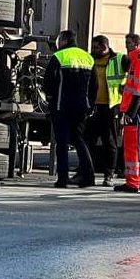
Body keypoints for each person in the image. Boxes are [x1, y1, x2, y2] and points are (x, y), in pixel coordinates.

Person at [44, 29, 96, 188]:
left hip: (62, 106)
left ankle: (63, 179)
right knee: (80, 140)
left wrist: (50, 99)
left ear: (65, 40)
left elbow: (49, 81)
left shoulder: (59, 56)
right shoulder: (88, 57)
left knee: (62, 143)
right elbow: (95, 85)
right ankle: (89, 176)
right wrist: (90, 104)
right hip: (82, 106)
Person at [115, 39, 140, 193]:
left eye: (129, 43)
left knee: (133, 148)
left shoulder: (139, 60)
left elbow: (138, 90)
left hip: (136, 111)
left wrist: (130, 114)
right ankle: (139, 181)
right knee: (138, 148)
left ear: (137, 44)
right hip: (139, 110)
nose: (127, 46)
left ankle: (133, 183)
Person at [86, 35, 124, 185]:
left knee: (110, 142)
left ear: (104, 47)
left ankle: (109, 174)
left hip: (111, 107)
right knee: (88, 141)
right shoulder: (90, 59)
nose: (93, 50)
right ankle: (87, 173)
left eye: (96, 47)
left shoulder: (118, 60)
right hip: (93, 106)